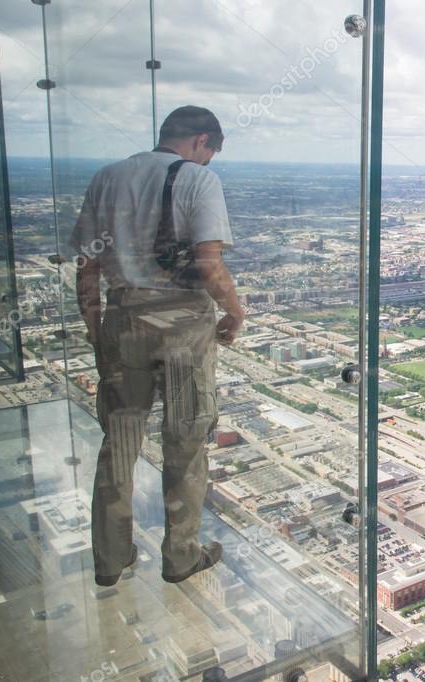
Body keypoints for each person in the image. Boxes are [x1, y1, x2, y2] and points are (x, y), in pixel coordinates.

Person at [71, 106, 244, 586]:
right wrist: (235, 311)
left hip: (122, 320)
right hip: (183, 330)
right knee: (185, 445)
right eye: (209, 154)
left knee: (120, 443)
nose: (207, 163)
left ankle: (109, 559)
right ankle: (180, 555)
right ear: (201, 142)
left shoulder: (106, 177)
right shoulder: (197, 180)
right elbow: (209, 266)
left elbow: (86, 267)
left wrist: (95, 324)